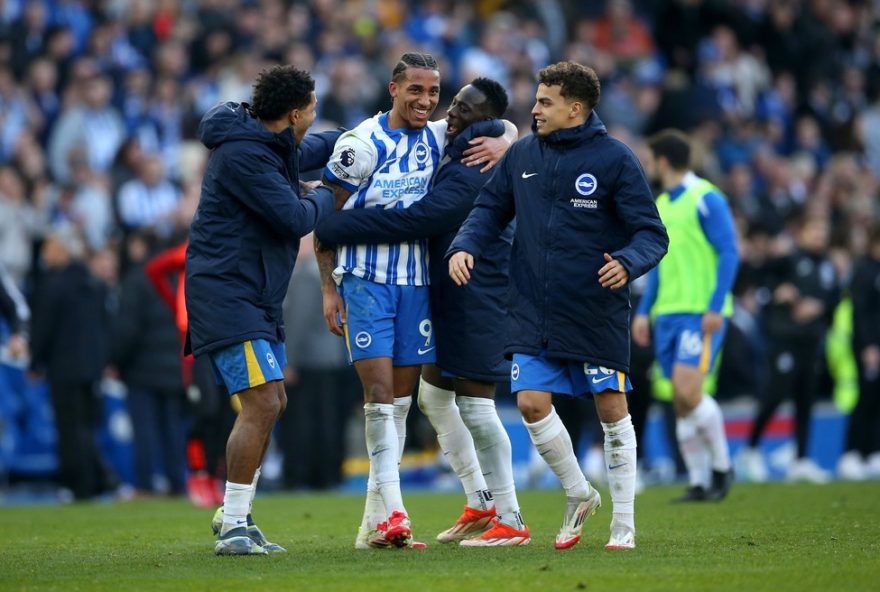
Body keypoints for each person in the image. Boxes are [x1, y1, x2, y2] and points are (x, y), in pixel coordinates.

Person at [448, 61, 668, 551]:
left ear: (576, 108)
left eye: (545, 102)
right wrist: (464, 245)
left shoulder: (615, 159)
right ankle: (578, 492)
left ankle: (624, 527)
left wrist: (629, 262)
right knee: (529, 401)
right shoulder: (523, 154)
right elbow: (488, 209)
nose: (535, 109)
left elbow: (652, 233)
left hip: (594, 307)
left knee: (611, 409)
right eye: (537, 100)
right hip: (533, 306)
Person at [316, 78, 530, 546]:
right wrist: (329, 281)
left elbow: (420, 219)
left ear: (484, 122)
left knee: (462, 403)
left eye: (458, 108)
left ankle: (513, 514)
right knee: (411, 400)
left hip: (467, 293)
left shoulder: (473, 163)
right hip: (391, 284)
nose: (445, 111)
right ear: (393, 89)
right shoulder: (436, 138)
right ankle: (453, 504)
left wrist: (340, 226)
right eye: (448, 103)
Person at [184, 65, 341, 556]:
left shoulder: (267, 144)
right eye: (312, 110)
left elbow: (315, 149)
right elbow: (295, 218)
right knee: (263, 403)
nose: (314, 119)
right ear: (295, 114)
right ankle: (232, 524)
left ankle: (239, 514)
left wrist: (369, 136)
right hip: (227, 294)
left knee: (274, 401)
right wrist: (330, 195)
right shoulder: (246, 156)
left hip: (252, 294)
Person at [632, 129, 738, 502]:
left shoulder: (706, 198)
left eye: (649, 160)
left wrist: (715, 305)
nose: (648, 166)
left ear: (662, 161)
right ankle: (698, 481)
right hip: (668, 314)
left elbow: (729, 252)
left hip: (699, 313)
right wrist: (645, 312)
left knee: (689, 392)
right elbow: (659, 265)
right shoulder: (662, 204)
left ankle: (723, 468)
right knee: (678, 399)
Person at [739, 214, 839, 483]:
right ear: (801, 234)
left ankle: (801, 460)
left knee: (806, 400)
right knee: (775, 394)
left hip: (812, 342)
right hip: (784, 340)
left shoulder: (828, 265)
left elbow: (834, 298)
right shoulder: (788, 260)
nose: (819, 236)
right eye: (814, 230)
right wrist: (779, 294)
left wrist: (820, 306)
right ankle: (750, 450)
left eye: (822, 230)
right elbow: (761, 283)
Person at [838, 225, 880, 479]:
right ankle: (852, 452)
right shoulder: (863, 270)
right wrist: (868, 345)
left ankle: (873, 452)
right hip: (869, 347)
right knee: (866, 398)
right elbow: (860, 312)